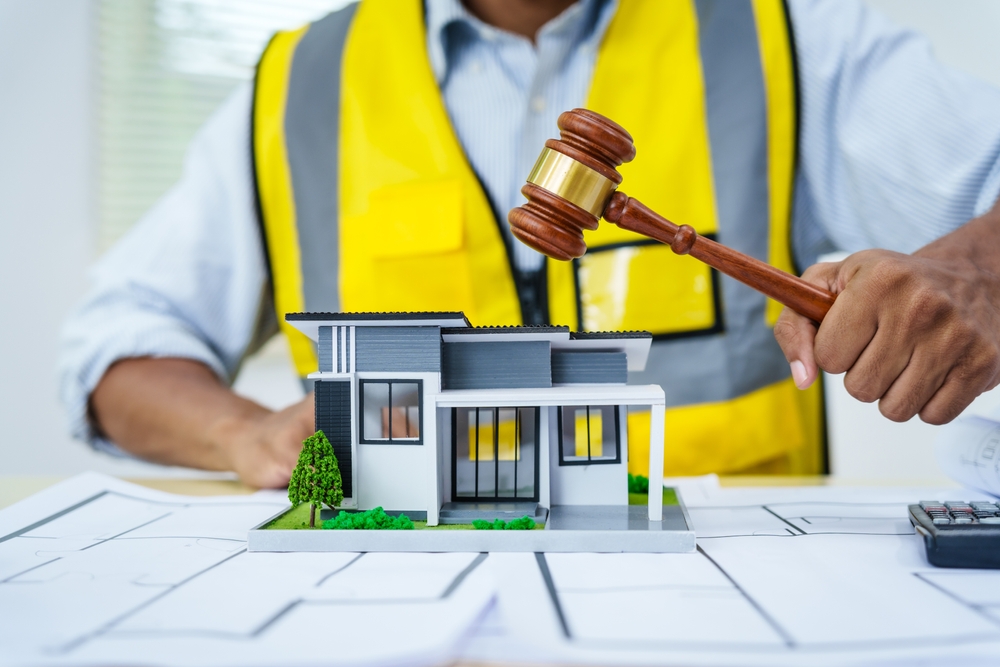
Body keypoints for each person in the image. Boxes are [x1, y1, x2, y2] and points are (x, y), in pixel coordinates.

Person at [60, 0, 1000, 488]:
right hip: (400, 616)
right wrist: (242, 432)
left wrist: (978, 268)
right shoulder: (299, 84)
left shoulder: (780, 37)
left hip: (719, 605)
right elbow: (117, 345)